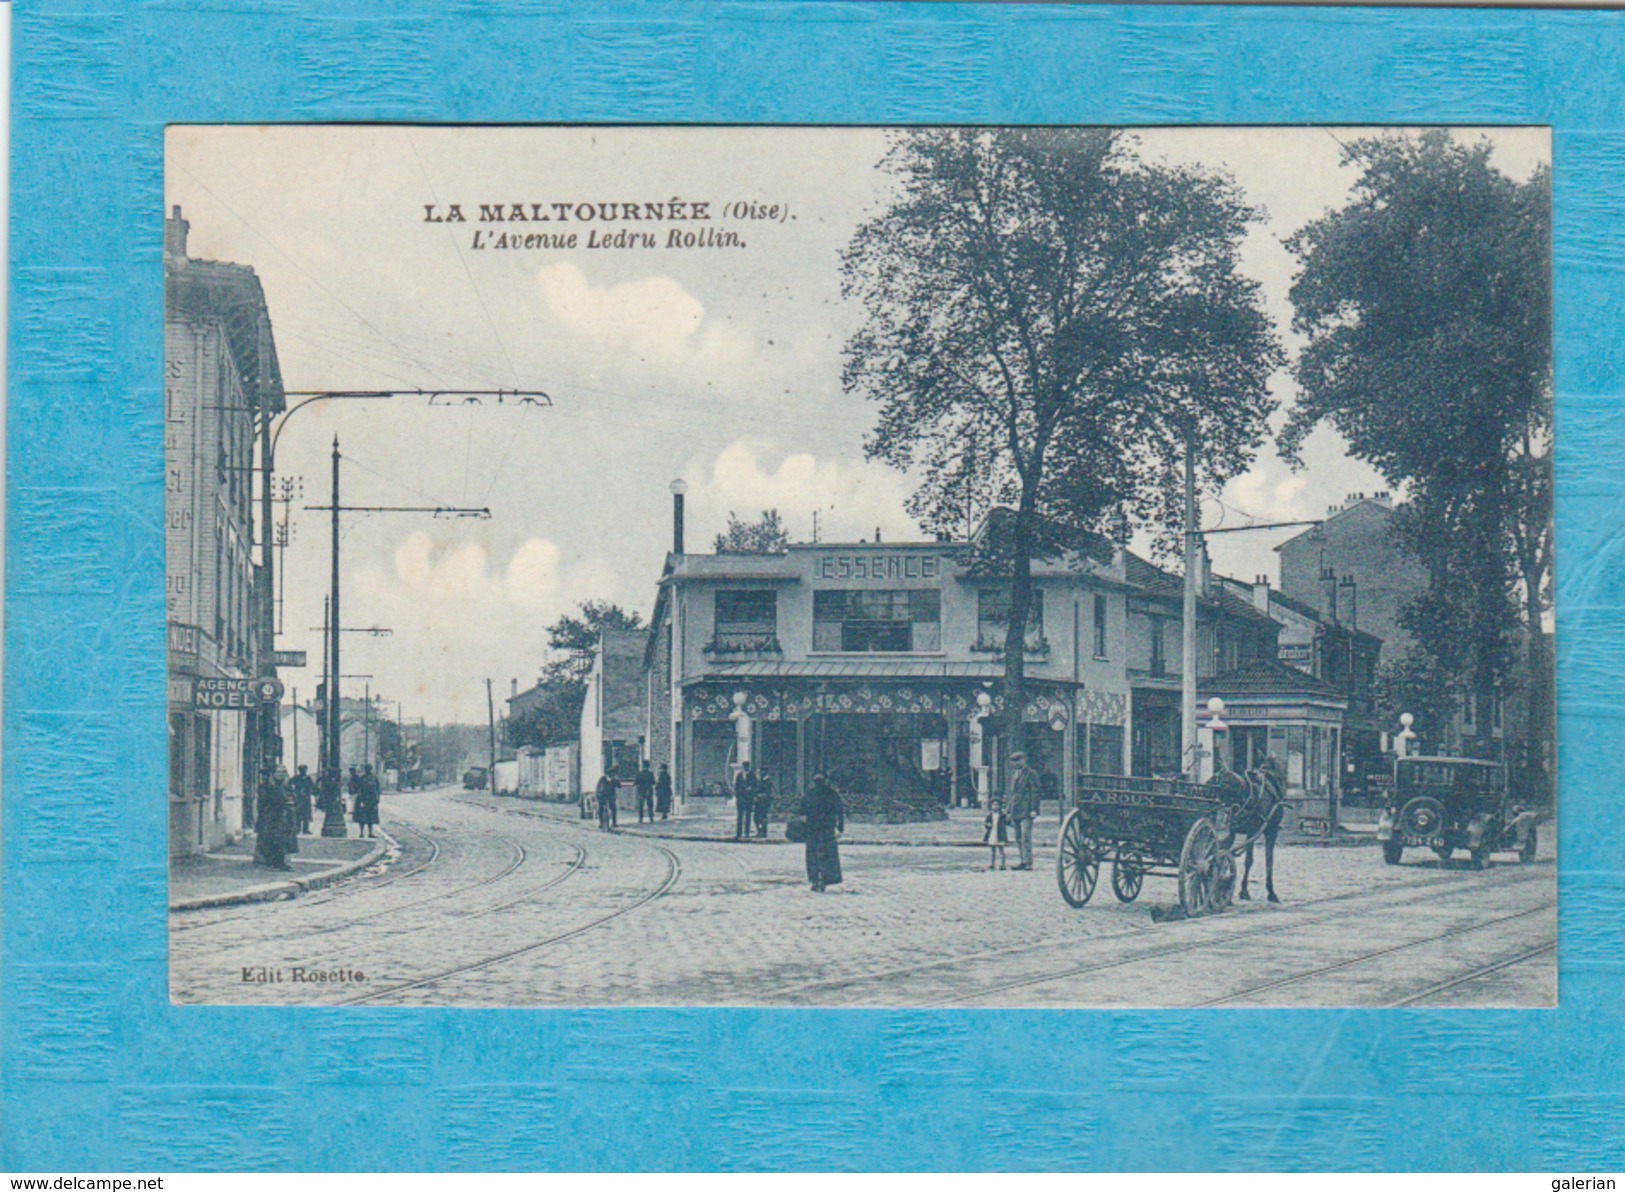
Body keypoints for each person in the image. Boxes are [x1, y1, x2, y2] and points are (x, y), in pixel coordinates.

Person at [800, 772, 845, 892]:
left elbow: (802, 814)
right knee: (826, 855)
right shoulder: (832, 794)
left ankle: (815, 879)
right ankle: (824, 879)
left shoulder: (809, 794)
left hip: (813, 829)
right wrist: (840, 827)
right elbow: (839, 812)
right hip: (826, 829)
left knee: (813, 855)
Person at [1007, 749, 1042, 870]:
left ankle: (1028, 862)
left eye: (1018, 760)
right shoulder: (1013, 775)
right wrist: (1008, 809)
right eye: (1013, 761)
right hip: (1015, 810)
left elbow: (1035, 792)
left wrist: (1034, 809)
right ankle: (1022, 860)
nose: (1016, 763)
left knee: (1025, 836)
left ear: (1023, 760)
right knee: (1018, 837)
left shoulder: (1031, 773)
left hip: (1026, 810)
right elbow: (1012, 794)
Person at [253, 769, 293, 871]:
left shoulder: (284, 787)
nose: (281, 775)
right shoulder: (269, 788)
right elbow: (265, 802)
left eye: (283, 773)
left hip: (281, 816)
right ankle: (275, 862)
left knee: (280, 839)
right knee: (275, 839)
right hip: (272, 816)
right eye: (278, 773)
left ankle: (277, 861)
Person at [352, 763, 381, 839]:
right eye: (367, 769)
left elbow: (378, 789)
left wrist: (378, 798)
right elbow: (359, 789)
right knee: (362, 817)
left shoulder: (374, 778)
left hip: (372, 799)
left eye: (369, 769)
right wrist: (360, 799)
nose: (368, 770)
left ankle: (370, 832)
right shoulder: (362, 778)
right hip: (364, 798)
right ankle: (361, 832)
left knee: (371, 816)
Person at [983, 794, 1009, 871]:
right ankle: (992, 863)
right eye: (993, 805)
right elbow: (986, 823)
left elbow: (1007, 822)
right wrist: (987, 825)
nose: (995, 806)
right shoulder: (989, 815)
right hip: (992, 833)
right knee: (992, 850)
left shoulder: (1002, 815)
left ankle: (1003, 864)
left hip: (1000, 833)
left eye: (997, 805)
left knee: (1001, 849)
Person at [733, 762, 756, 841]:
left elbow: (755, 786)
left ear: (749, 766)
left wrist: (751, 790)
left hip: (748, 798)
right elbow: (736, 786)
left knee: (748, 816)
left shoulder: (752, 775)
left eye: (747, 766)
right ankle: (739, 833)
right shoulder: (739, 775)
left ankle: (747, 833)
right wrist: (738, 794)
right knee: (740, 816)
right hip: (741, 798)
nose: (746, 767)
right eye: (744, 766)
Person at [290, 765, 315, 835]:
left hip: (306, 798)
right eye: (302, 770)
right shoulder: (296, 778)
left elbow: (312, 786)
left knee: (306, 814)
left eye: (304, 770)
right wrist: (293, 792)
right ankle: (298, 828)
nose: (303, 771)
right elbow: (289, 784)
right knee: (298, 813)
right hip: (299, 798)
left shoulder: (308, 779)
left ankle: (305, 829)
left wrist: (312, 791)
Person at [754, 771, 773, 838]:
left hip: (764, 802)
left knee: (762, 817)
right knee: (757, 817)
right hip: (759, 802)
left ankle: (763, 832)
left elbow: (768, 793)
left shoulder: (767, 782)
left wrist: (760, 796)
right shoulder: (760, 781)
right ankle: (759, 831)